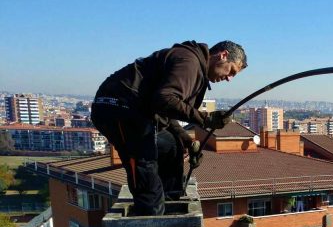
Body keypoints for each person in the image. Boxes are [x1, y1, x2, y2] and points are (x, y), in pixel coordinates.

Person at [91, 40, 247, 215]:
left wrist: (186, 141)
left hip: (133, 111)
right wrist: (206, 118)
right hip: (119, 109)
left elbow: (164, 110)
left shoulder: (193, 65)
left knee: (171, 145)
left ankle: (171, 205)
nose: (229, 78)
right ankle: (151, 222)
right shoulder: (190, 62)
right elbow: (164, 99)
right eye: (231, 70)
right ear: (223, 55)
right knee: (145, 169)